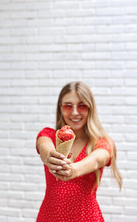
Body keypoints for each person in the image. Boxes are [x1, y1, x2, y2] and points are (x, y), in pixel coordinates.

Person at [36, 81, 122, 222]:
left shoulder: (101, 142)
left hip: (86, 217)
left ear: (90, 108)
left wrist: (73, 170)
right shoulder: (49, 135)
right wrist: (51, 158)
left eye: (82, 105)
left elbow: (96, 160)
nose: (75, 112)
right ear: (60, 108)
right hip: (49, 217)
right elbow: (44, 147)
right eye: (68, 106)